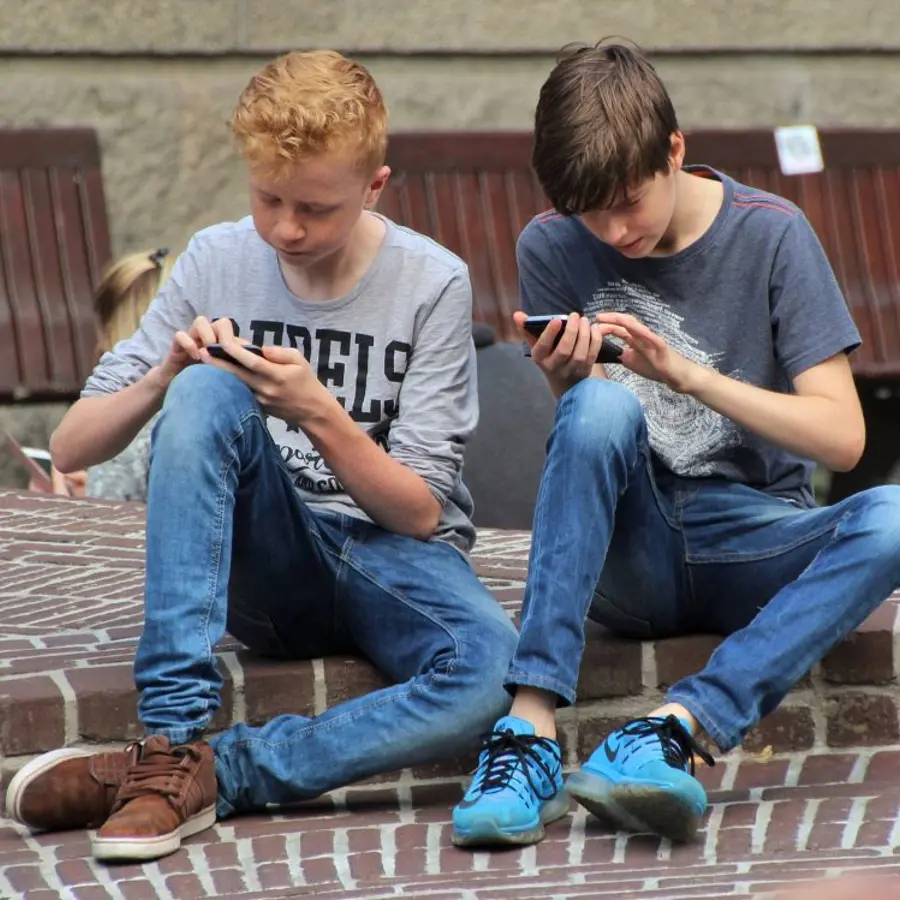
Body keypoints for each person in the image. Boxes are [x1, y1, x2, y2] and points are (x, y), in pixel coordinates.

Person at [6, 49, 516, 862]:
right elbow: (73, 443)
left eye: (316, 208)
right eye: (267, 198)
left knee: (494, 674)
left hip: (395, 561)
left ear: (375, 186)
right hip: (272, 561)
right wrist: (169, 374)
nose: (286, 228)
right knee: (206, 394)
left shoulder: (433, 282)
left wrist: (319, 411)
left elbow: (419, 510)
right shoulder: (215, 258)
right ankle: (171, 733)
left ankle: (212, 773)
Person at [452, 41, 900, 848]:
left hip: (750, 536)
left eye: (628, 201)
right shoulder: (550, 244)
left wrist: (689, 377)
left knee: (894, 518)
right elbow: (586, 445)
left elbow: (842, 437)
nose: (613, 230)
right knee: (599, 413)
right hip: (633, 548)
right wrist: (566, 382)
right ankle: (528, 732)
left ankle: (675, 729)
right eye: (591, 213)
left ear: (675, 151)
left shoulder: (772, 235)